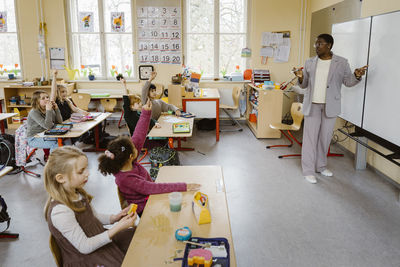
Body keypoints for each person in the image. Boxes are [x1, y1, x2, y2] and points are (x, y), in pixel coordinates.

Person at [98, 99, 200, 215]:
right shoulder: (126, 179)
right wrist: (184, 186)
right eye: (135, 147)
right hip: (146, 208)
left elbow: (138, 135)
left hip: (149, 195)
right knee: (183, 205)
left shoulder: (125, 161)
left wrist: (146, 112)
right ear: (132, 156)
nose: (137, 145)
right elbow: (153, 189)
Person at [293, 33, 367, 184]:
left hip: (330, 105)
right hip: (312, 105)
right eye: (316, 43)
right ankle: (308, 170)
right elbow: (304, 84)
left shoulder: (342, 62)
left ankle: (321, 166)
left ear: (329, 45)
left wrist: (357, 76)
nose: (316, 46)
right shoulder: (309, 62)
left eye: (319, 44)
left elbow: (348, 82)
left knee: (324, 138)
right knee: (309, 139)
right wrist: (300, 77)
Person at [44, 146, 137, 266]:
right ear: (61, 178)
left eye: (86, 168)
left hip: (97, 241)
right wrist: (118, 227)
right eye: (81, 171)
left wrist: (115, 217)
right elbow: (84, 246)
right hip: (85, 258)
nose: (87, 173)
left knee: (136, 236)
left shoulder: (77, 193)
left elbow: (92, 217)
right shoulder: (60, 211)